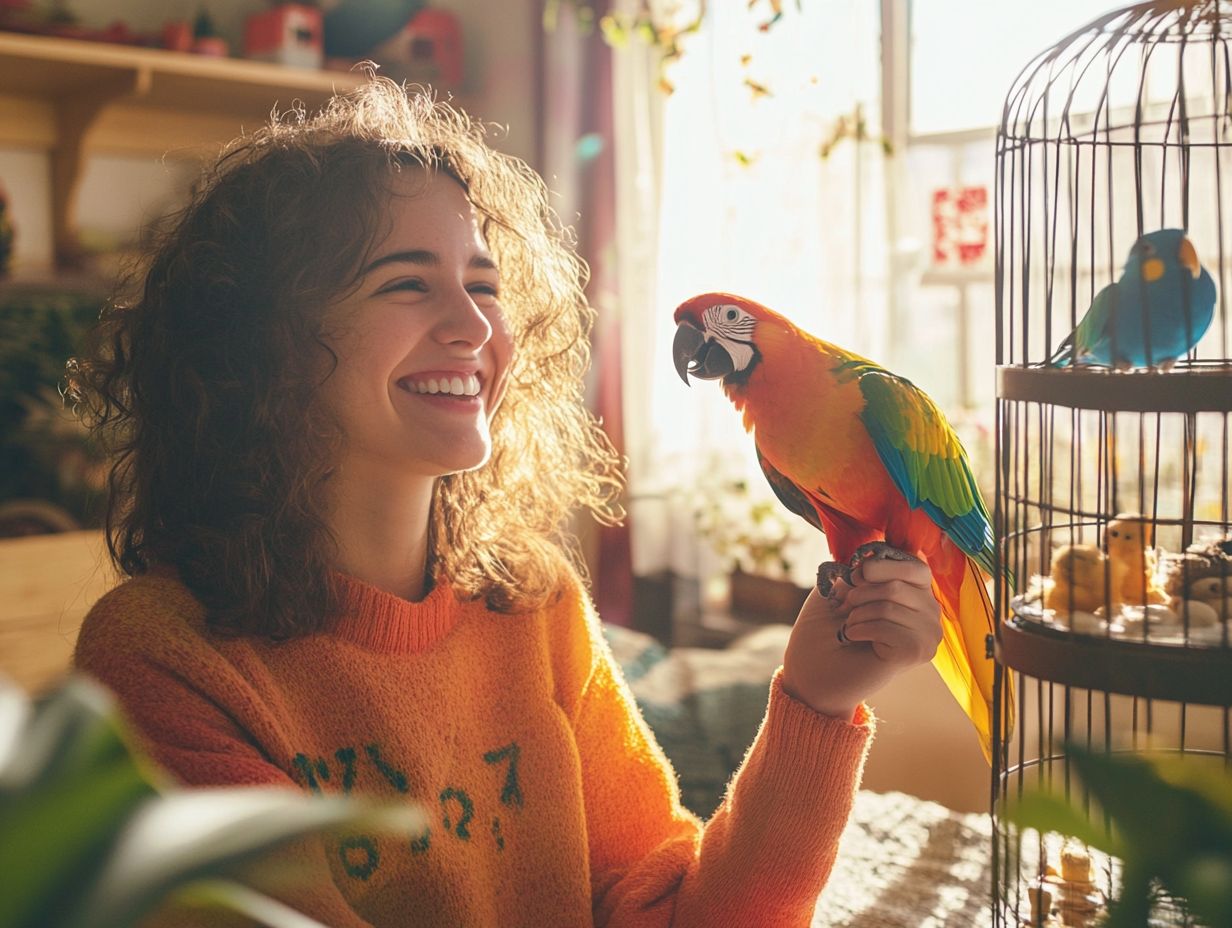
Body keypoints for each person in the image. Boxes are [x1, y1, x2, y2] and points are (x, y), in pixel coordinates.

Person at [70, 78, 943, 927]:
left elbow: (677, 915)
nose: (477, 328)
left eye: (485, 286)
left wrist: (815, 703)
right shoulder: (159, 664)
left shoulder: (535, 600)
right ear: (263, 342)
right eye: (407, 283)